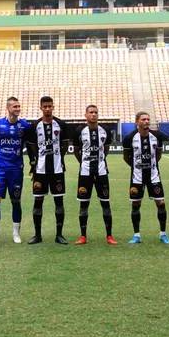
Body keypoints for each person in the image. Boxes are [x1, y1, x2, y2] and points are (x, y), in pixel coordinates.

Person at [0, 97, 32, 244]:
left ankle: (16, 233)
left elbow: (29, 145)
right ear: (8, 108)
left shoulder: (24, 125)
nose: (18, 109)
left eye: (19, 106)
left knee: (15, 200)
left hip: (16, 169)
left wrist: (33, 162)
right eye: (15, 106)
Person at [123, 112, 169, 245]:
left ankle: (163, 234)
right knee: (136, 204)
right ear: (136, 122)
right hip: (137, 176)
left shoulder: (157, 136)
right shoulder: (129, 138)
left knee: (161, 203)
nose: (146, 121)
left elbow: (158, 154)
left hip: (154, 176)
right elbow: (126, 157)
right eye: (143, 119)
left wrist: (153, 166)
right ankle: (136, 235)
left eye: (148, 119)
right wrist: (136, 167)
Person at [73, 105, 117, 245]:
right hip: (85, 172)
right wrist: (84, 162)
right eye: (91, 112)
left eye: (96, 112)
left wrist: (100, 161)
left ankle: (109, 236)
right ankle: (83, 236)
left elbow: (106, 149)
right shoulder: (79, 131)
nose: (94, 115)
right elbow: (76, 151)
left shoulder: (105, 130)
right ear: (86, 114)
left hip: (101, 172)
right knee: (84, 204)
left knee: (105, 203)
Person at [28, 96, 69, 245]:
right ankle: (37, 235)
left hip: (57, 170)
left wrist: (59, 159)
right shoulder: (34, 126)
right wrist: (35, 163)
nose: (47, 109)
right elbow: (32, 146)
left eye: (49, 106)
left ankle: (59, 235)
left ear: (53, 107)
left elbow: (64, 145)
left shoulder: (61, 124)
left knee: (59, 201)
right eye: (44, 106)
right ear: (40, 107)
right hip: (40, 171)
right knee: (38, 201)